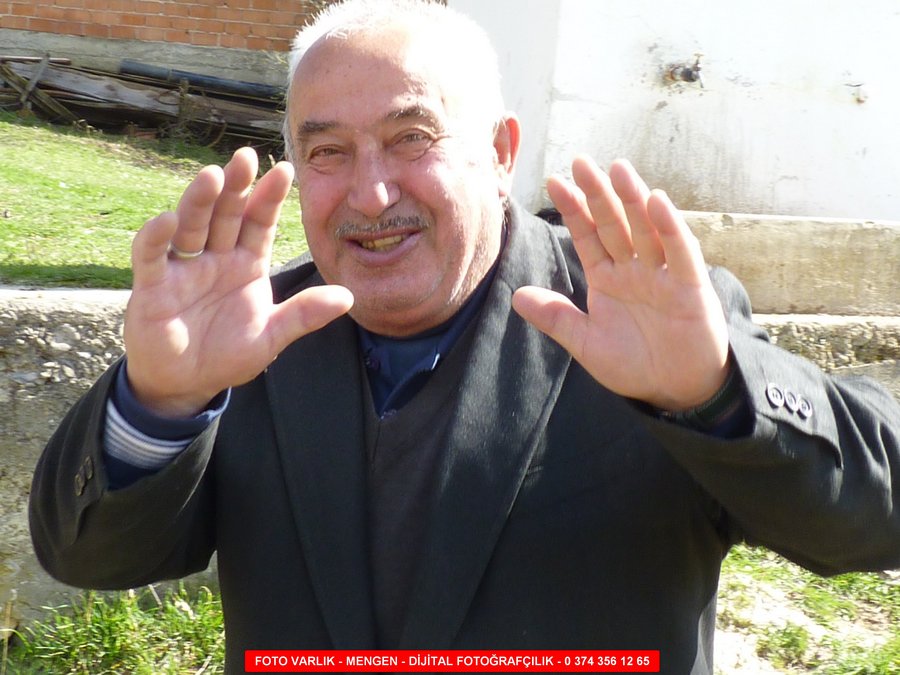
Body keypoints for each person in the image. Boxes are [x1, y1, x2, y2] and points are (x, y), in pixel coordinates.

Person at [29, 1, 900, 673]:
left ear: (500, 150)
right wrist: (161, 403)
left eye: (411, 137)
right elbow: (88, 555)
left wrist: (717, 394)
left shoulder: (639, 321)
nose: (370, 194)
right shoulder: (250, 334)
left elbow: (874, 518)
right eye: (327, 152)